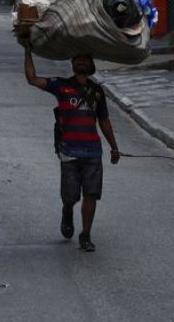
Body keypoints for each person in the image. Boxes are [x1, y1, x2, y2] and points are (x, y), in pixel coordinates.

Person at [23, 43, 121, 252]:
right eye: (79, 59)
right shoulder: (61, 86)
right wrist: (28, 51)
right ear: (72, 63)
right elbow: (32, 79)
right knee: (70, 197)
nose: (82, 62)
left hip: (93, 151)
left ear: (91, 64)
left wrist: (114, 147)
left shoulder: (97, 91)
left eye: (86, 59)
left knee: (91, 194)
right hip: (69, 151)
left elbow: (104, 121)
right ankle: (67, 211)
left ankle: (85, 235)